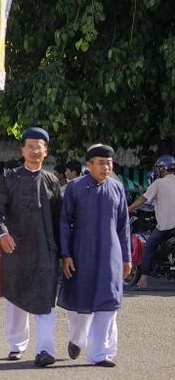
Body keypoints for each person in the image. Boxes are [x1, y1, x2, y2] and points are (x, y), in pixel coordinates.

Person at [0, 127, 62, 366]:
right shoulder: (9, 178)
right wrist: (2, 234)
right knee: (16, 299)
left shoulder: (53, 181)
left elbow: (59, 220)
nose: (34, 151)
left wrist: (64, 252)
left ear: (46, 151)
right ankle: (16, 344)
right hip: (16, 249)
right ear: (23, 150)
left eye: (39, 147)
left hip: (46, 250)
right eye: (30, 146)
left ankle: (45, 349)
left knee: (45, 300)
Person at [59, 144, 131, 367]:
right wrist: (66, 254)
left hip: (110, 254)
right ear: (88, 165)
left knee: (108, 302)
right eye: (101, 163)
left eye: (109, 163)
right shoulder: (74, 188)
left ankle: (100, 353)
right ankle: (77, 339)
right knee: (81, 302)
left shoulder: (117, 188)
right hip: (82, 253)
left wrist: (127, 257)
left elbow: (123, 225)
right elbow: (63, 222)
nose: (106, 167)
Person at [128, 155, 175, 290]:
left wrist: (130, 208)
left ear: (162, 168)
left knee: (148, 248)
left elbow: (143, 199)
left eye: (159, 167)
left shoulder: (158, 183)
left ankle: (143, 280)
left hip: (166, 226)